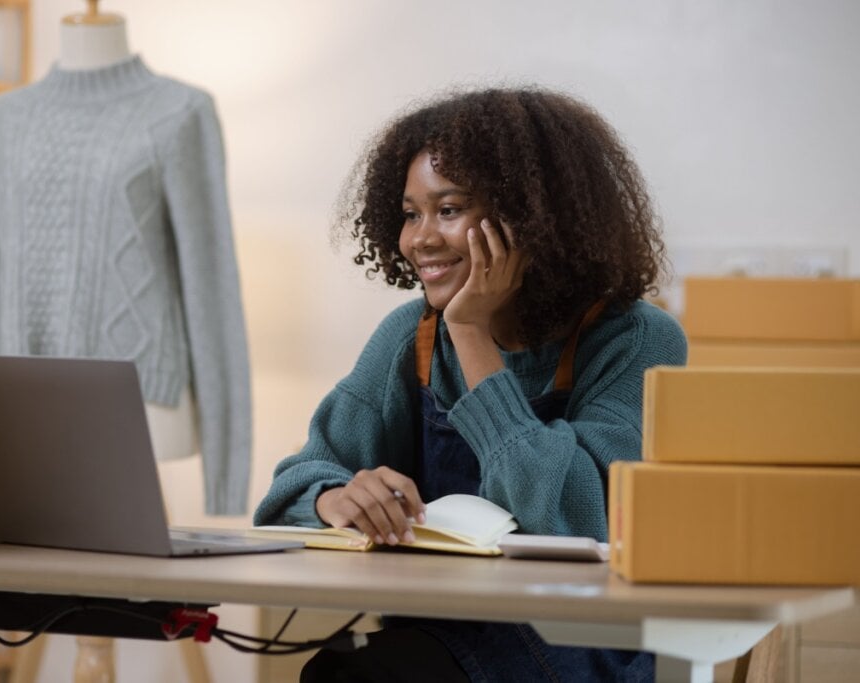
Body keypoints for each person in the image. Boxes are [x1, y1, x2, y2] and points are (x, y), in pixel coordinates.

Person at [253, 87, 687, 682]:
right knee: (339, 670)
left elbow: (571, 517)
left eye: (449, 210)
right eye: (411, 213)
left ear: (531, 218)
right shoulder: (409, 336)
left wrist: (471, 331)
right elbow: (288, 491)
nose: (420, 239)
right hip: (434, 638)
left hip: (575, 652)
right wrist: (335, 499)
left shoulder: (635, 338)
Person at [0, 3, 251, 516]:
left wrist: (226, 487)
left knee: (123, 581)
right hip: (19, 399)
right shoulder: (3, 118)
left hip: (140, 403)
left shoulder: (180, 112)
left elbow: (212, 290)